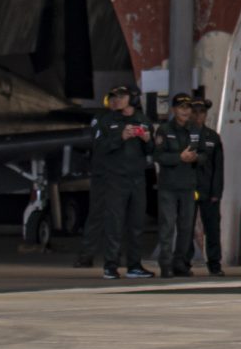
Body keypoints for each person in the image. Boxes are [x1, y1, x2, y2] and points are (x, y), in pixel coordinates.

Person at [87, 85, 152, 280]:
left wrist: (147, 139)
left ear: (133, 98)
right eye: (114, 96)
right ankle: (110, 266)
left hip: (137, 179)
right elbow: (98, 148)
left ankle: (134, 265)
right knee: (114, 223)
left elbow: (152, 151)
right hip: (115, 179)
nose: (117, 99)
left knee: (137, 224)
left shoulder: (143, 120)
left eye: (122, 96)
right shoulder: (106, 121)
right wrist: (120, 137)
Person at [149, 93, 211, 276]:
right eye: (181, 107)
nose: (185, 111)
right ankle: (166, 264)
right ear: (174, 109)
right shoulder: (164, 130)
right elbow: (158, 156)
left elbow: (205, 154)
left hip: (188, 185)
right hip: (168, 186)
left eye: (188, 107)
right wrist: (179, 157)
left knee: (186, 227)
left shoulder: (195, 130)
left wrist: (196, 157)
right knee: (167, 225)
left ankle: (180, 263)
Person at [192, 89, 229, 277]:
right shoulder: (184, 134)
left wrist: (217, 192)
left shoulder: (212, 137)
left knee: (212, 228)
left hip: (208, 189)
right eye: (195, 111)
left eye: (202, 112)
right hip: (190, 188)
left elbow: (218, 167)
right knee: (186, 227)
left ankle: (214, 263)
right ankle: (183, 262)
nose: (199, 115)